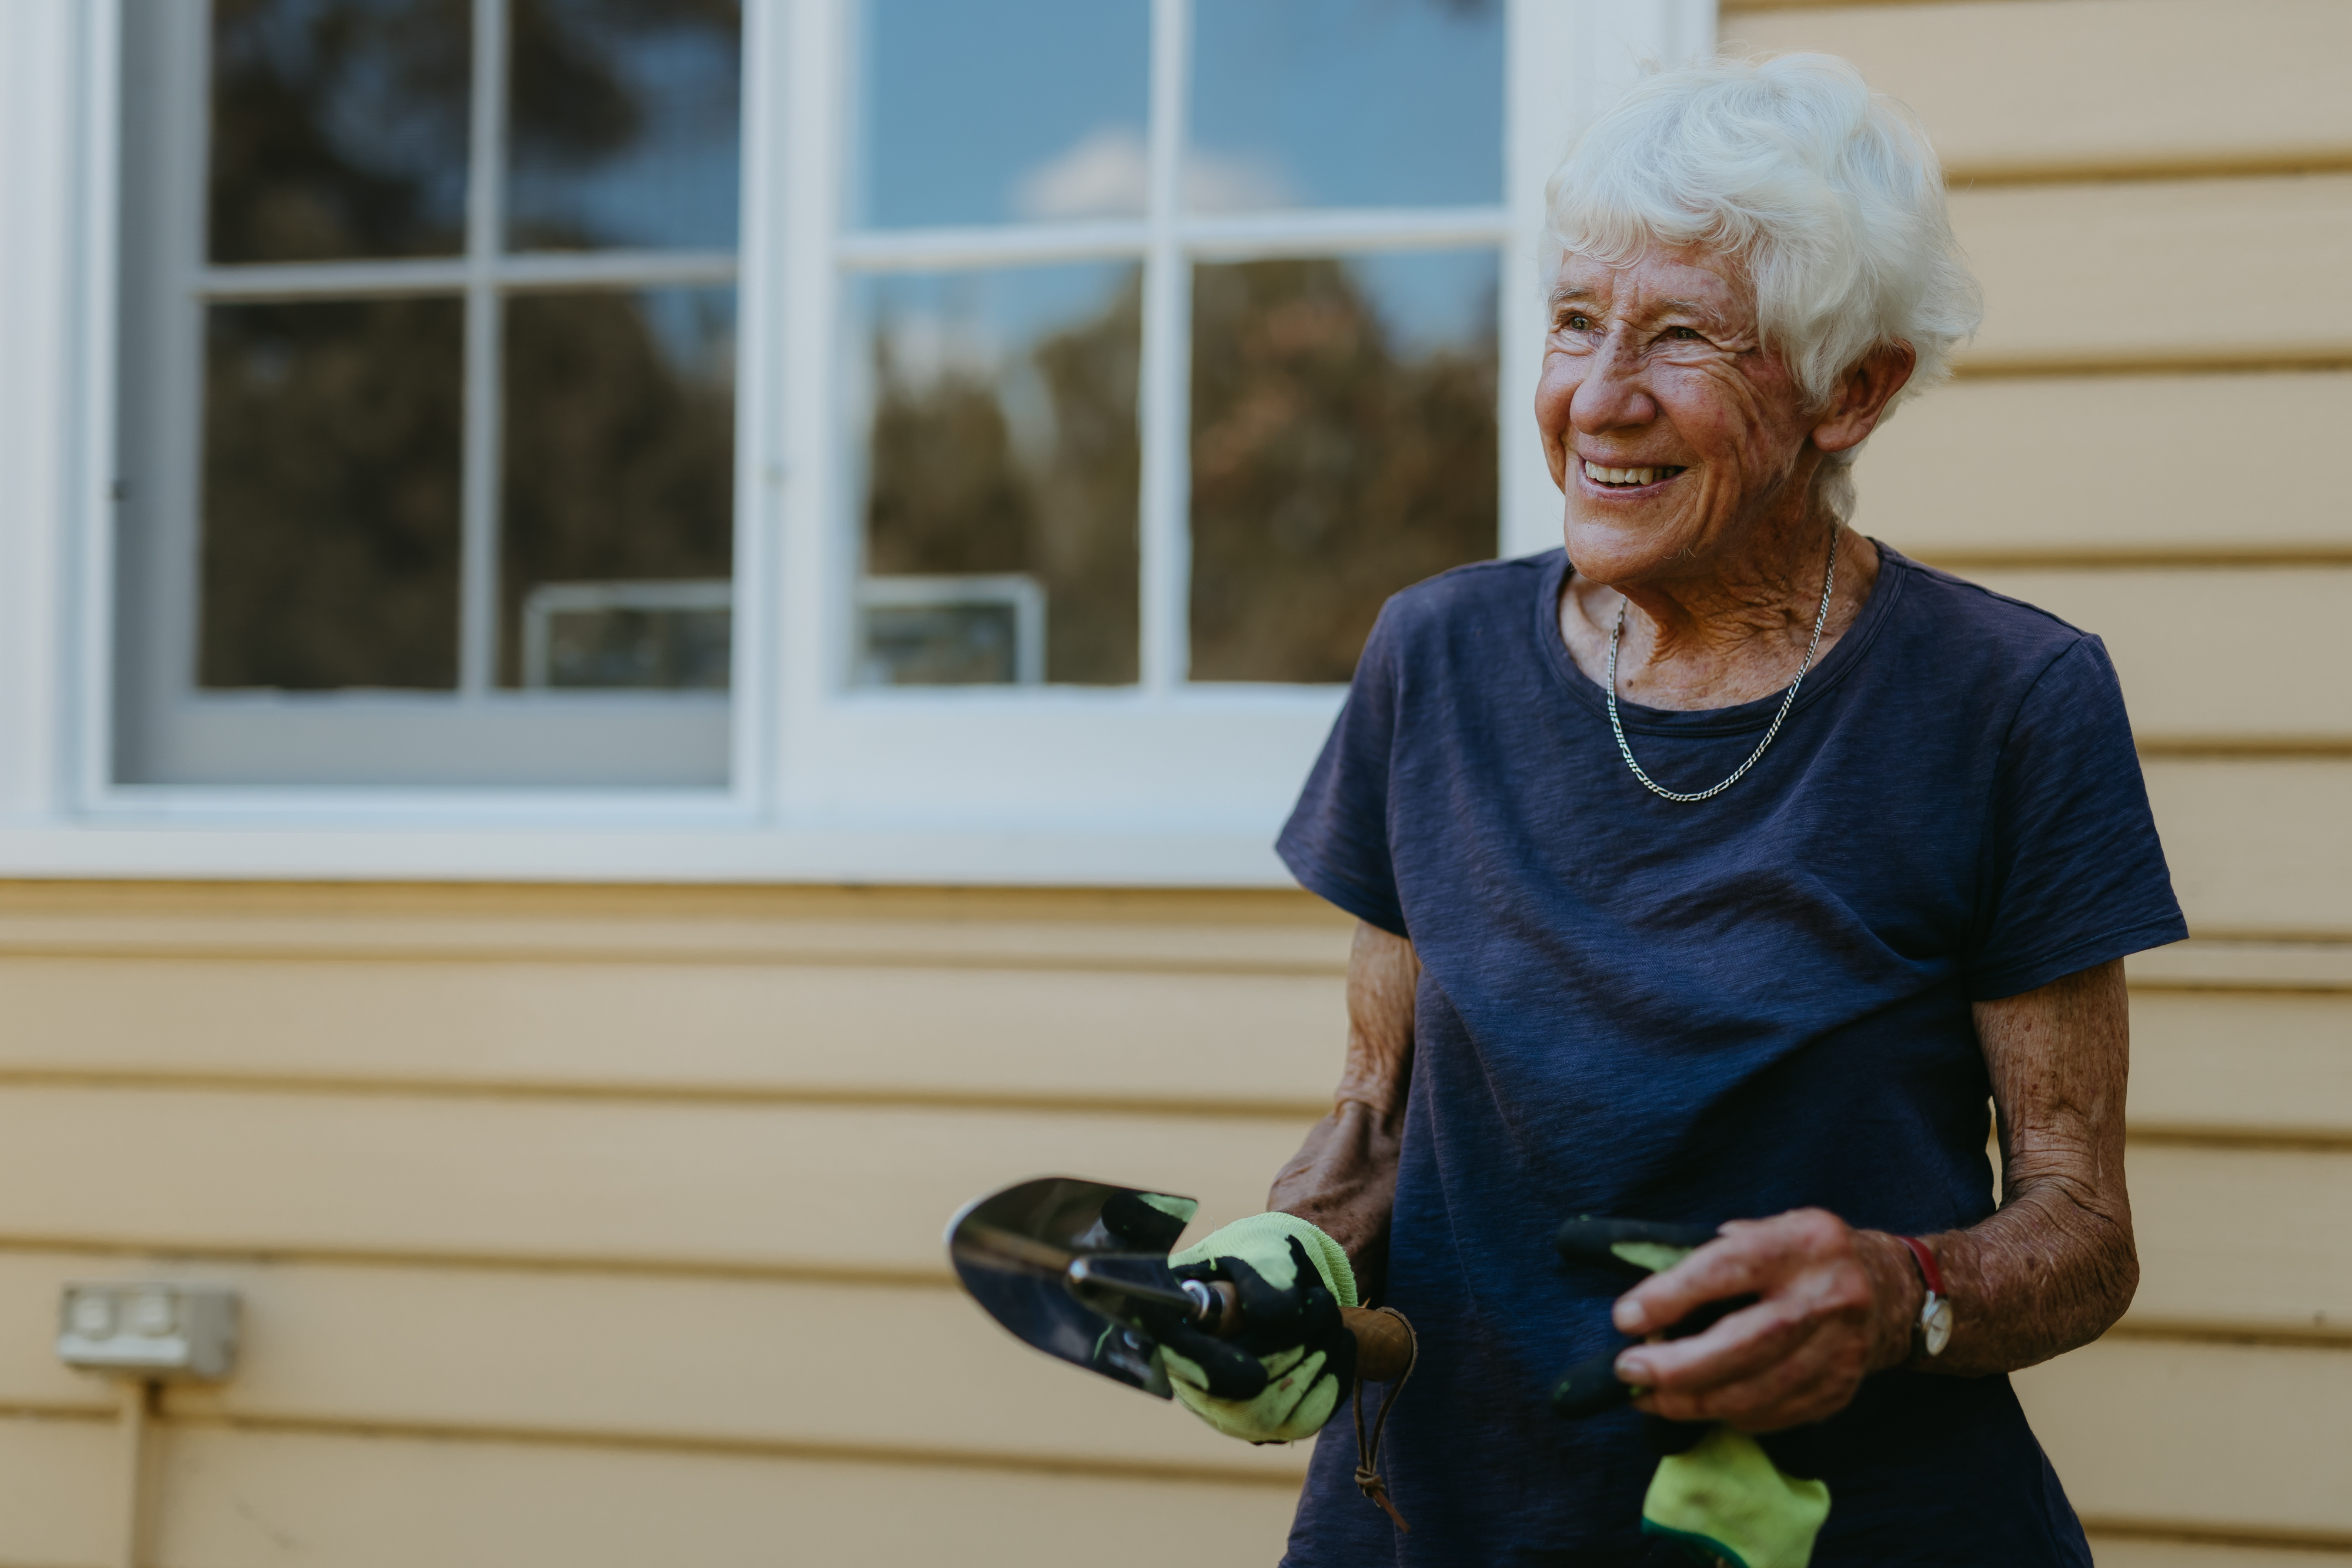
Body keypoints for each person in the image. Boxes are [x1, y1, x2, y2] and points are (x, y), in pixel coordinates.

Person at [1160, 52, 2186, 1566]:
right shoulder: (1431, 657)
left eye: (1682, 340)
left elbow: (2079, 1229)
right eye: (1575, 322)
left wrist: (1899, 1290)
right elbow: (1376, 1119)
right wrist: (1279, 1273)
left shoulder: (2005, 699)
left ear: (1855, 389)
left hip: (1852, 1533)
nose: (1596, 396)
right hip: (1442, 1518)